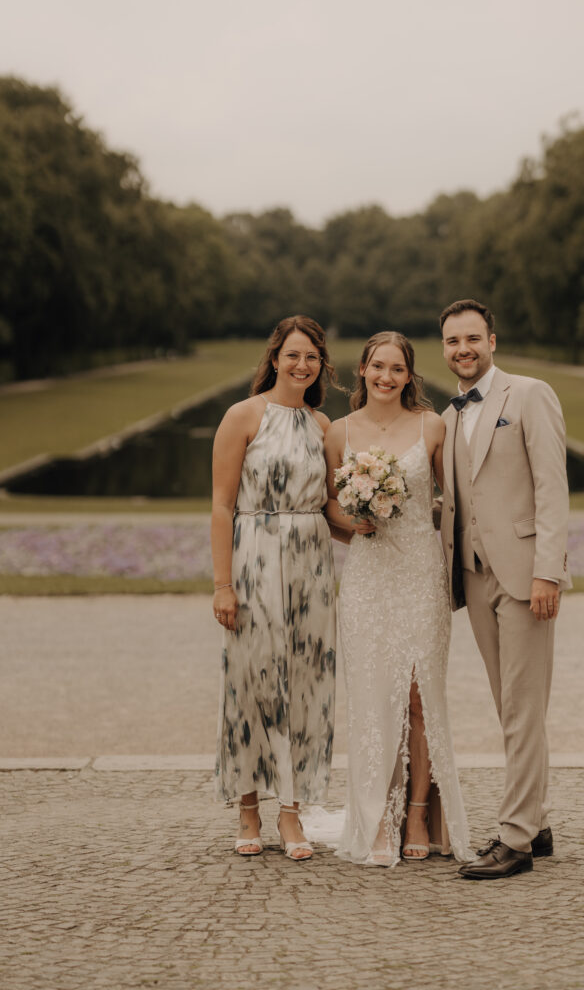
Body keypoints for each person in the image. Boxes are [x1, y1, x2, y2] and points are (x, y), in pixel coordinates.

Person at [324, 331, 472, 867]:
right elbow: (328, 508)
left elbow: (452, 504)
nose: (386, 377)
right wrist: (357, 518)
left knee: (419, 697)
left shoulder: (433, 426)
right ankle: (376, 815)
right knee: (372, 697)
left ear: (410, 376)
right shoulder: (338, 432)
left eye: (397, 369)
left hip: (418, 575)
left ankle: (416, 813)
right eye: (377, 366)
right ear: (361, 370)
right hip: (367, 578)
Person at [438, 299, 570, 880]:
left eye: (472, 338)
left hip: (524, 575)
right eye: (451, 341)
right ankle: (536, 822)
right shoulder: (446, 416)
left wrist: (548, 570)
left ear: (492, 340)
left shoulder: (529, 394)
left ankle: (515, 840)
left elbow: (552, 486)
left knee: (522, 706)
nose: (462, 349)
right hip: (473, 574)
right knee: (508, 703)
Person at [211, 315, 339, 860]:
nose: (302, 365)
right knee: (251, 678)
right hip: (254, 555)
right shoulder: (244, 416)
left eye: (311, 357)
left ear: (321, 365)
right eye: (293, 355)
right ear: (275, 357)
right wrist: (223, 584)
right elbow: (220, 505)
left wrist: (373, 517)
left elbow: (332, 504)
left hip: (312, 560)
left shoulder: (324, 426)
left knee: (305, 682)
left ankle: (291, 812)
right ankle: (247, 809)